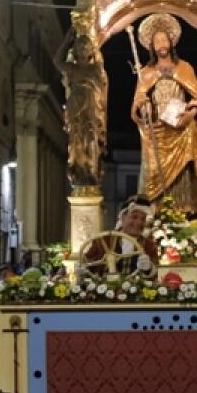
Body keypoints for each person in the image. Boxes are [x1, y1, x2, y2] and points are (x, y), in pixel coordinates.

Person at [131, 13, 197, 215]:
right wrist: (143, 106)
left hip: (180, 126)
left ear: (171, 42)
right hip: (156, 129)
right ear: (152, 46)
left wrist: (192, 111)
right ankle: (155, 212)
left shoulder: (185, 68)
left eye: (164, 39)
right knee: (154, 170)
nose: (161, 44)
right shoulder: (146, 72)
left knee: (183, 170)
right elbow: (137, 102)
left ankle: (182, 211)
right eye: (157, 41)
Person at [54, 27, 109, 188]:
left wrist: (96, 40)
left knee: (91, 139)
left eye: (86, 46)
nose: (83, 49)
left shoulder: (96, 68)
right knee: (76, 140)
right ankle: (78, 172)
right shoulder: (71, 68)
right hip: (75, 106)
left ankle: (91, 171)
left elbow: (101, 66)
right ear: (75, 50)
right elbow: (57, 61)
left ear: (91, 50)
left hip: (92, 108)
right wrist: (66, 42)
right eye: (80, 46)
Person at [81, 196, 159, 277]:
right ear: (122, 217)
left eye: (143, 219)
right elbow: (87, 263)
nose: (139, 222)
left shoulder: (149, 246)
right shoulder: (103, 240)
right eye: (134, 217)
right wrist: (81, 268)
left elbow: (154, 275)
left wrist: (149, 268)